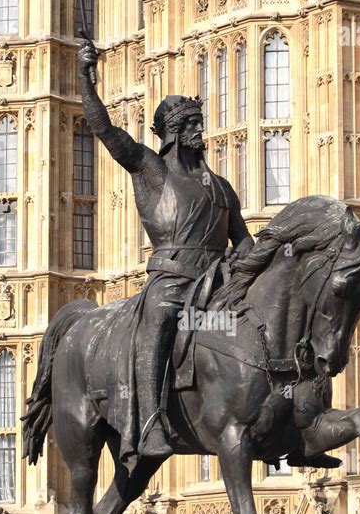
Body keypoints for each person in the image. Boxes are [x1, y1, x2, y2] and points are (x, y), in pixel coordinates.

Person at [78, 41, 254, 457]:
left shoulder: (221, 187)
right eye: (192, 123)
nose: (200, 130)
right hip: (172, 283)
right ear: (173, 132)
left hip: (217, 287)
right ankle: (148, 423)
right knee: (158, 324)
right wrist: (85, 79)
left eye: (199, 122)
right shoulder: (151, 169)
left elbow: (244, 243)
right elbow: (106, 131)